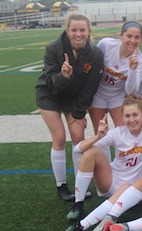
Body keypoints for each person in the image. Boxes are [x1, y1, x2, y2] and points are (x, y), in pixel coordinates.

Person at [35, 14, 103, 201]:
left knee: (78, 137)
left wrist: (79, 112)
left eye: (82, 30)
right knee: (59, 137)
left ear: (89, 31)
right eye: (74, 30)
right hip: (50, 94)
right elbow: (50, 83)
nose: (78, 34)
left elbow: (90, 87)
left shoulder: (95, 53)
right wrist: (63, 76)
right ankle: (61, 186)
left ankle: (79, 185)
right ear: (67, 30)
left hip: (73, 98)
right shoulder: (53, 48)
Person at [64, 96, 142, 223]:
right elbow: (78, 149)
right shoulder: (117, 133)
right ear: (122, 118)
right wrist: (98, 136)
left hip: (134, 188)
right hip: (111, 182)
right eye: (127, 116)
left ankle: (94, 221)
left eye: (135, 115)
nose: (131, 120)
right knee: (90, 151)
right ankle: (78, 204)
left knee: (127, 188)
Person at [89, 21, 142, 132]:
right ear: (120, 36)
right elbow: (92, 65)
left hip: (118, 96)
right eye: (129, 36)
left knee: (123, 132)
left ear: (141, 39)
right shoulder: (106, 44)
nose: (132, 41)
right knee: (100, 132)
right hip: (98, 93)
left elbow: (131, 91)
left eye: (137, 37)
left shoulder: (141, 60)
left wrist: (132, 69)